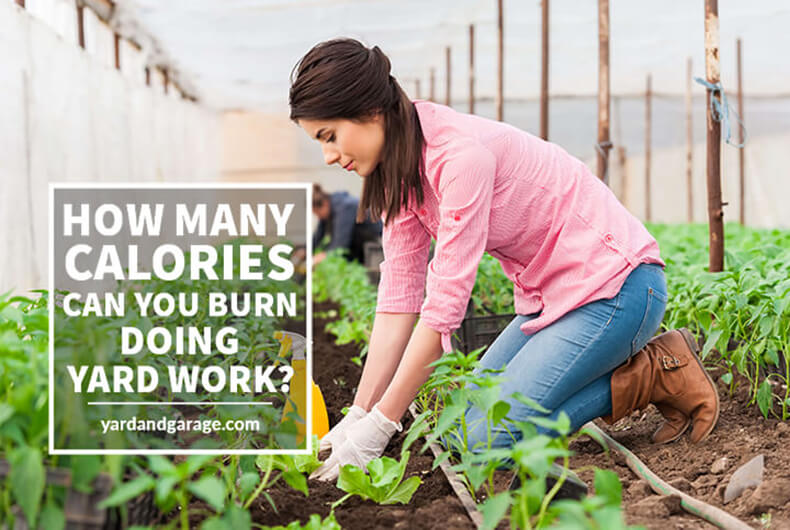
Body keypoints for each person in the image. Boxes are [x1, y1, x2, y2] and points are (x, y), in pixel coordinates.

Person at [288, 38, 719, 489]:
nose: (329, 156)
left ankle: (653, 374)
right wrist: (359, 415)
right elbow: (398, 301)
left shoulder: (458, 157)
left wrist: (382, 425)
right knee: (456, 432)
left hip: (617, 288)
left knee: (482, 442)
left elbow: (441, 315)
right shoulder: (399, 173)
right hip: (547, 300)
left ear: (369, 111)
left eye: (329, 136)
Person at [309, 183, 382, 265]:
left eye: (317, 213)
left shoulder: (345, 207)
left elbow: (341, 244)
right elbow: (318, 236)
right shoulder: (330, 209)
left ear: (325, 204)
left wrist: (323, 256)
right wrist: (305, 250)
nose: (318, 217)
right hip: (364, 247)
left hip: (377, 243)